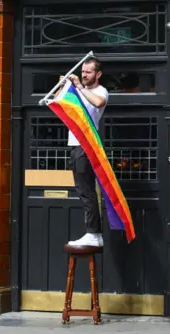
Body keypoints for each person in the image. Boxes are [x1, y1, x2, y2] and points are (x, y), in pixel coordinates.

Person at [60, 57, 109, 247]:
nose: (84, 74)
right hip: (75, 144)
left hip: (86, 145)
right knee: (82, 189)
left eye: (88, 71)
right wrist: (62, 85)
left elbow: (98, 103)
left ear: (98, 74)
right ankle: (92, 232)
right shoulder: (79, 91)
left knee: (87, 191)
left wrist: (80, 87)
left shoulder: (100, 90)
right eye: (82, 71)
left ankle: (94, 233)